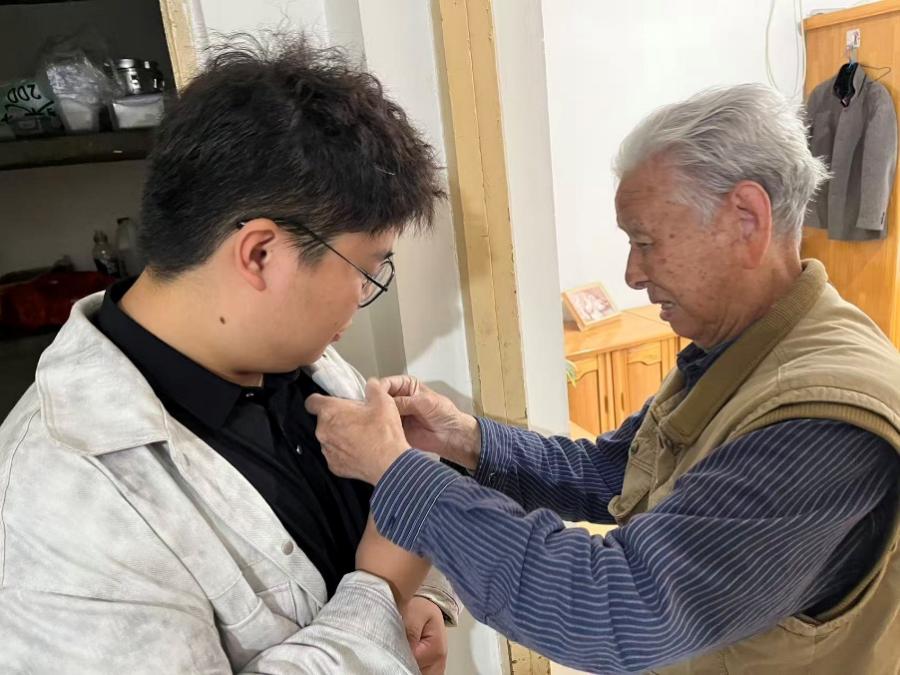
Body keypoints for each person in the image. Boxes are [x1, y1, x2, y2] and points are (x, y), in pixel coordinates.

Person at [307, 84, 900, 674]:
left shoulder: (821, 423)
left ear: (746, 219)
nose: (632, 274)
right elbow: (619, 471)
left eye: (646, 242)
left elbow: (619, 610)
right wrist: (463, 438)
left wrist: (399, 474)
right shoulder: (741, 350)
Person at [0, 36, 458, 674]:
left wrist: (423, 593)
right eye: (366, 270)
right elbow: (383, 565)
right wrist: (380, 596)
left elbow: (383, 531)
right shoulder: (55, 500)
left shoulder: (297, 362)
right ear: (261, 254)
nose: (362, 297)